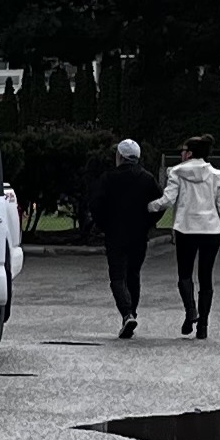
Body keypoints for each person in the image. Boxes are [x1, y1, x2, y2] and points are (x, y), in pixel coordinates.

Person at [81, 139, 164, 339]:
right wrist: (148, 222)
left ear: (119, 156)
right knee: (133, 274)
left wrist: (103, 225)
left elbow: (96, 204)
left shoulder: (108, 178)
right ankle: (132, 312)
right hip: (139, 234)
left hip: (115, 234)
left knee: (117, 276)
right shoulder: (147, 178)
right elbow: (160, 203)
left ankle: (126, 313)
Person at [160, 134, 220, 339]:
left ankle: (190, 310)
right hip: (211, 230)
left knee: (184, 275)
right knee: (206, 278)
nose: (181, 154)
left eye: (183, 151)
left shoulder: (176, 172)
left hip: (186, 229)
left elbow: (168, 200)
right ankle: (203, 325)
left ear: (189, 153)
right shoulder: (215, 174)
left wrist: (150, 206)